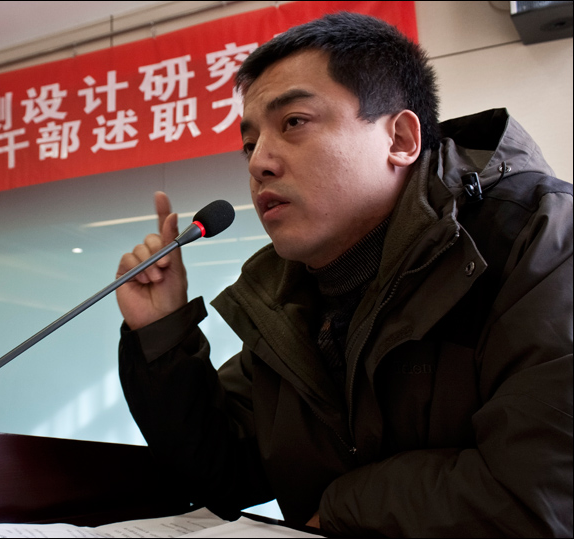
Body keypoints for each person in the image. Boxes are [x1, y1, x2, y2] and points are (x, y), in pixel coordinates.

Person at [115, 12, 572, 538]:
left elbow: (546, 492)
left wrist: (343, 511)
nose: (259, 162)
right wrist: (162, 333)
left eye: (293, 122)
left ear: (400, 138)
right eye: (249, 143)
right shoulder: (292, 298)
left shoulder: (541, 243)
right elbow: (225, 473)